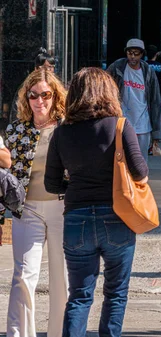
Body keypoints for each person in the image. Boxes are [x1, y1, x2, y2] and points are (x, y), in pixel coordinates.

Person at [45, 67, 149, 336]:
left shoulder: (62, 133)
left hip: (77, 216)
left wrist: (77, 183)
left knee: (79, 295)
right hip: (116, 215)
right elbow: (140, 171)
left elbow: (51, 184)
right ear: (108, 92)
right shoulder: (119, 125)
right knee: (115, 293)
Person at [4, 69, 68, 337]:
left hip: (62, 209)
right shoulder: (16, 130)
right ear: (26, 98)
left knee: (61, 280)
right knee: (23, 276)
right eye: (33, 95)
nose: (39, 101)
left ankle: (59, 333)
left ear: (55, 96)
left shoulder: (67, 127)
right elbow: (6, 175)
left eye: (45, 94)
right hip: (27, 210)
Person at [106, 38, 161, 163]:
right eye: (129, 53)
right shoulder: (117, 67)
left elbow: (155, 101)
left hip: (143, 123)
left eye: (136, 53)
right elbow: (104, 85)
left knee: (140, 160)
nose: (132, 56)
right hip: (121, 121)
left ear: (142, 54)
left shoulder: (147, 71)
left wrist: (156, 133)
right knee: (120, 158)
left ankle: (139, 182)